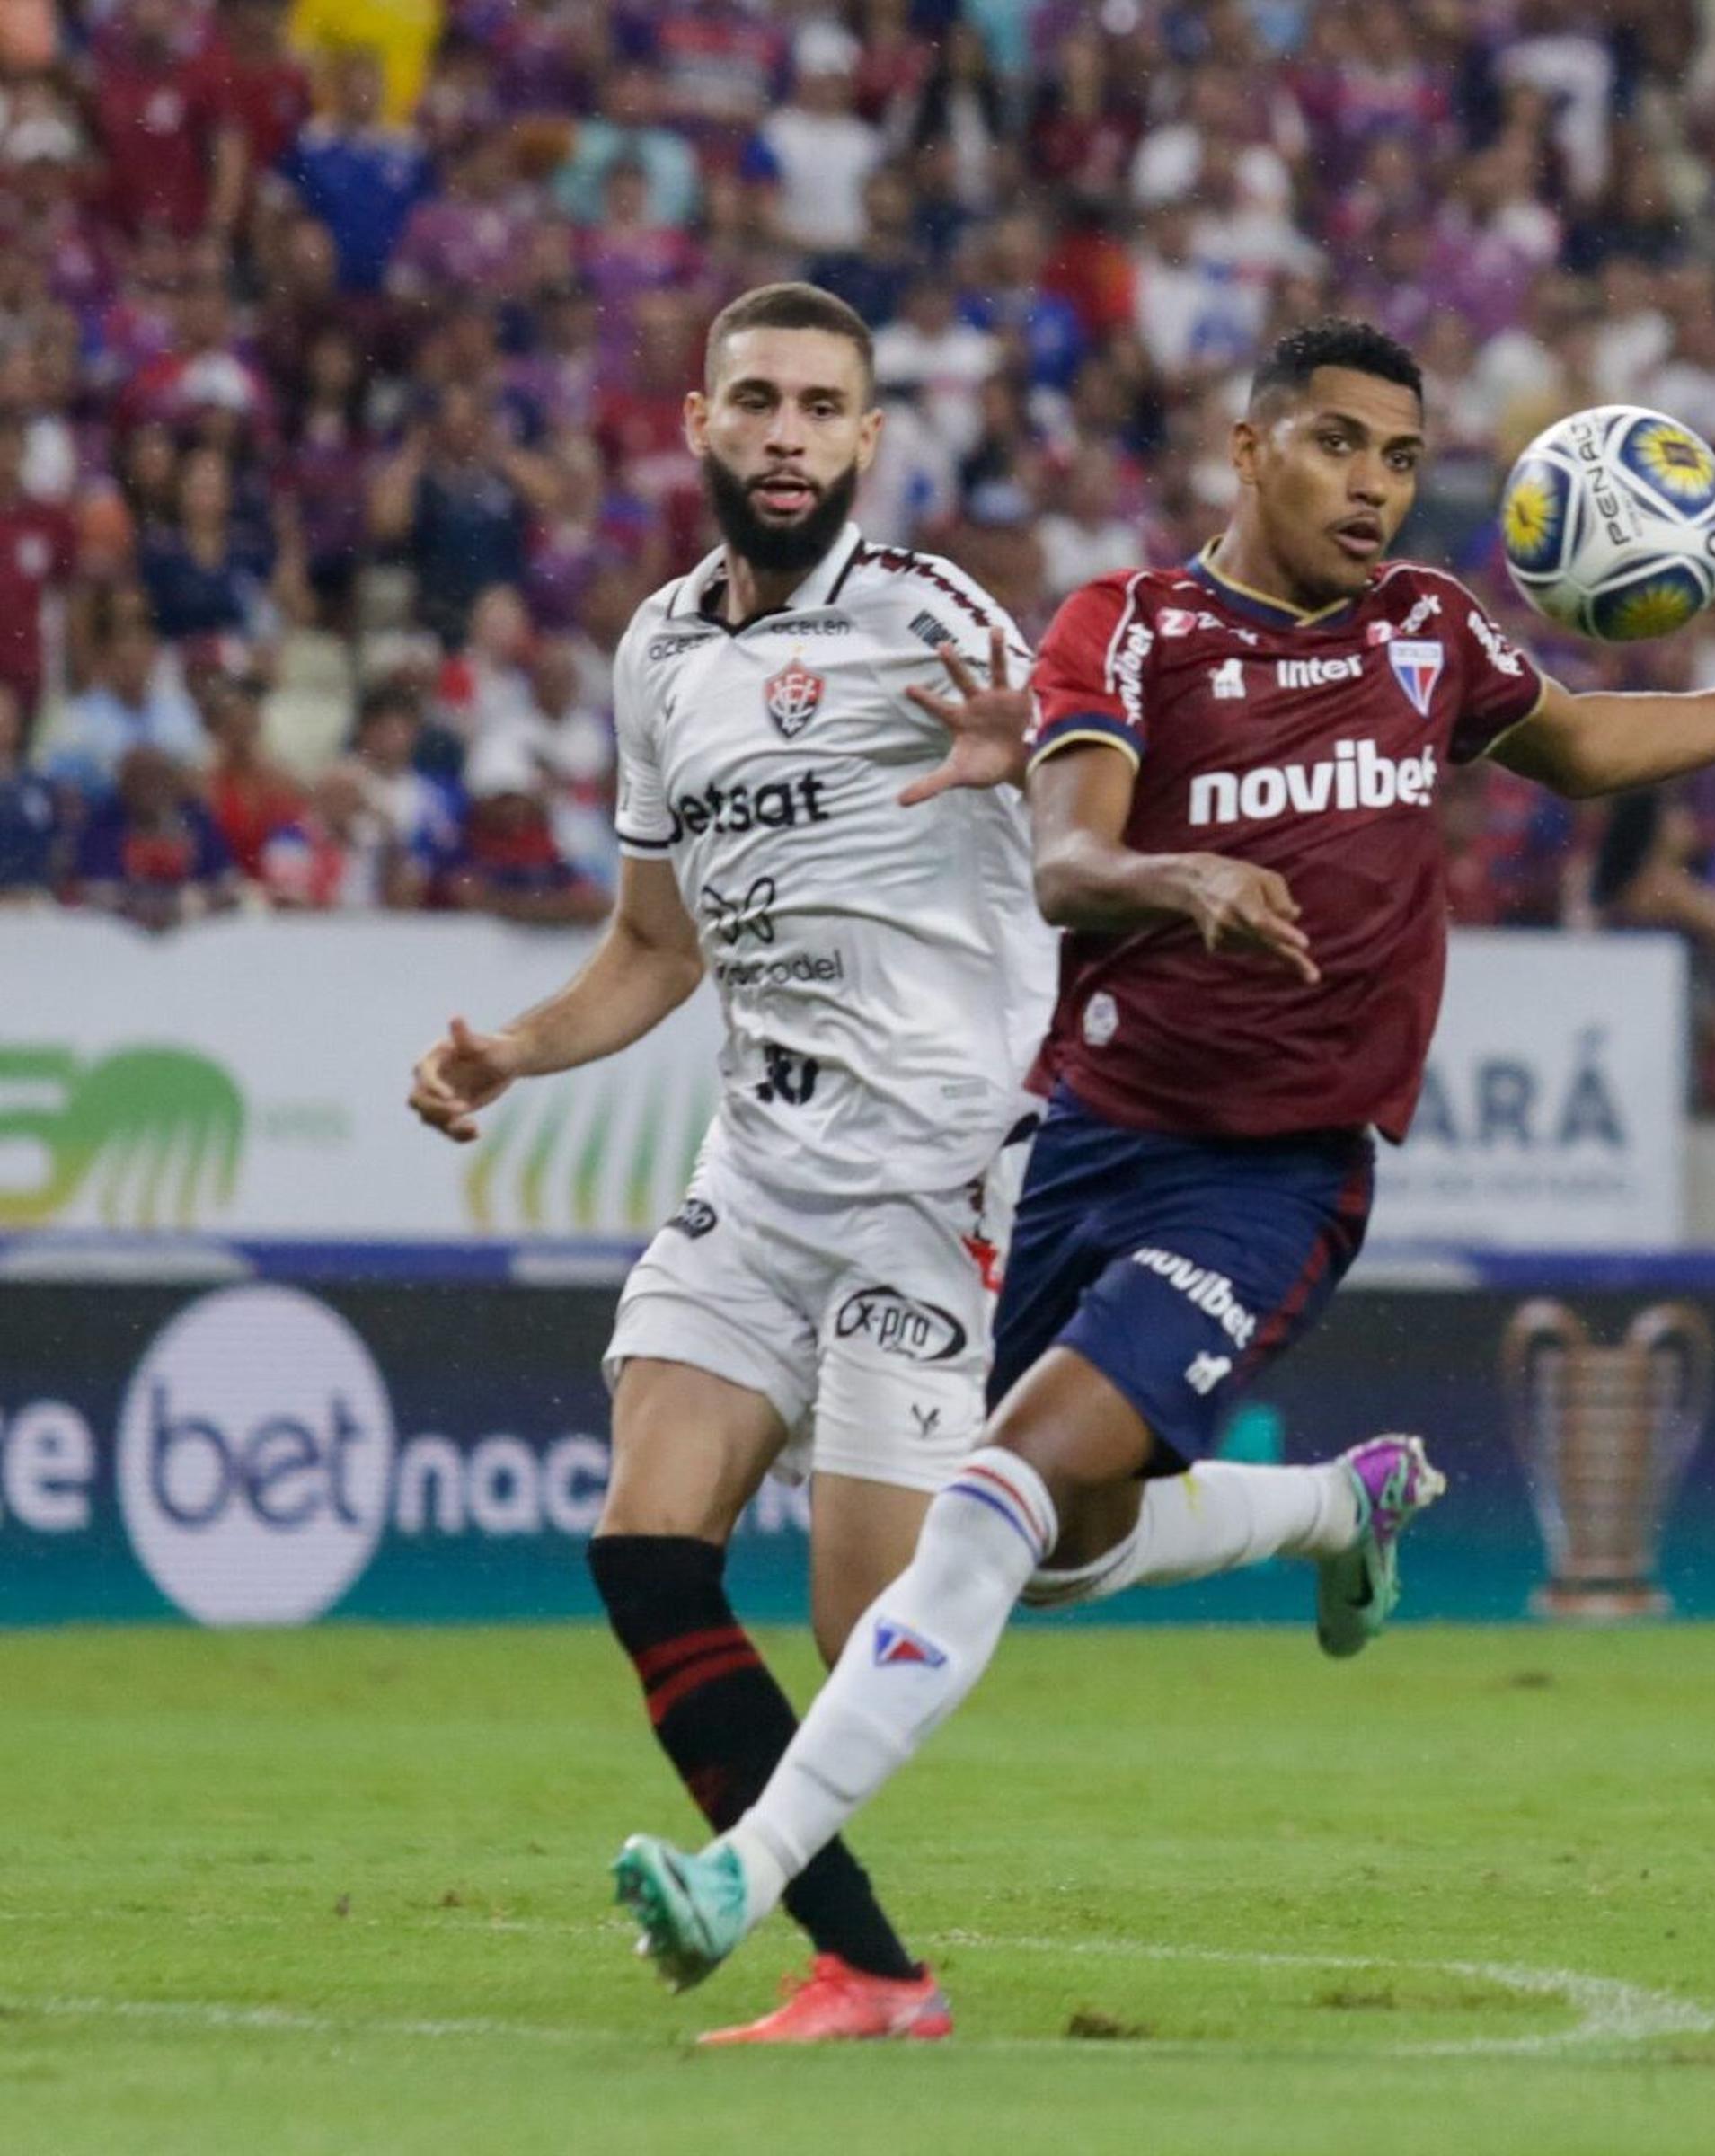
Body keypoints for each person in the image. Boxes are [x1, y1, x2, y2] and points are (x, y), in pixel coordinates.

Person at [606, 318, 1715, 1986]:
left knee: (993, 1497)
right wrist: (1174, 879)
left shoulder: (1428, 633)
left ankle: (742, 1885)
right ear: (1248, 445)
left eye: (1405, 460)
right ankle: (1331, 1509)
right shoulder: (1128, 628)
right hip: (1090, 1142)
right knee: (1048, 1549)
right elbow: (1064, 856)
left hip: (1276, 1175)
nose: (1376, 488)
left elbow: (1574, 746)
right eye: (1340, 445)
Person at [404, 282, 1092, 2047]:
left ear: (869, 443)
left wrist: (1051, 768)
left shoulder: (932, 619)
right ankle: (869, 1969)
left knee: (880, 1617)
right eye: (758, 401)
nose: (788, 432)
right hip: (765, 1165)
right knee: (645, 1545)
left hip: (938, 1177)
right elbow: (653, 947)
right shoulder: (658, 656)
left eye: (823, 408)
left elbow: (1092, 808)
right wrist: (515, 1051)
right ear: (703, 425)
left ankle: (1298, 1505)